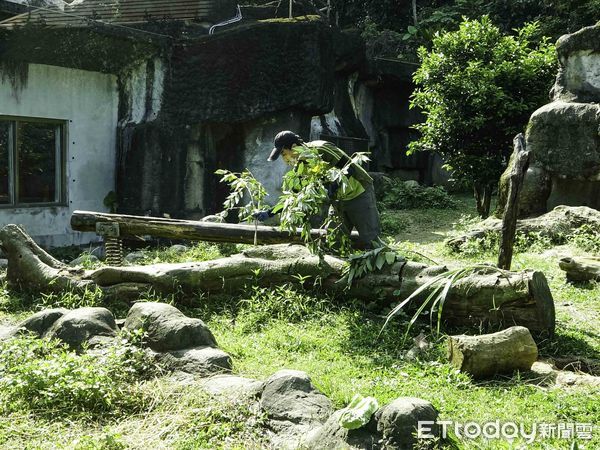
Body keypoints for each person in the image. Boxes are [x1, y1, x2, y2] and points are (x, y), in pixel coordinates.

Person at [257, 130, 381, 249]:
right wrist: (269, 213)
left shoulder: (320, 148)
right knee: (333, 241)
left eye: (284, 154)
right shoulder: (300, 168)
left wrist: (333, 185)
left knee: (370, 240)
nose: (284, 159)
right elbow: (293, 197)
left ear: (294, 146)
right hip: (338, 201)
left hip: (359, 192)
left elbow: (349, 166)